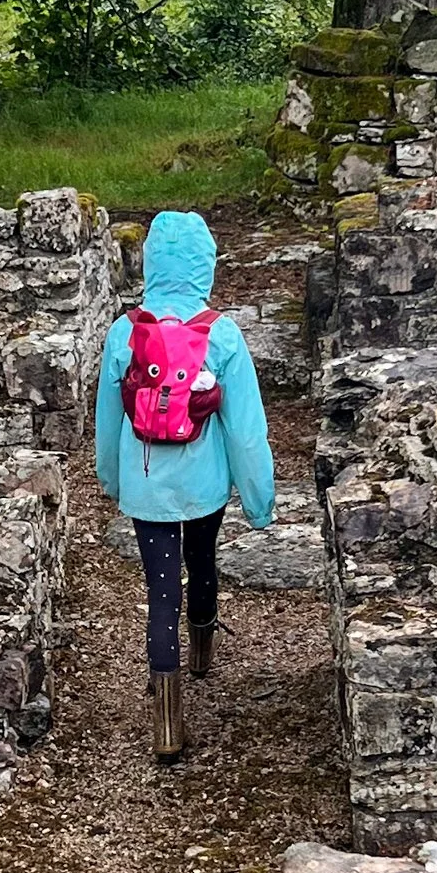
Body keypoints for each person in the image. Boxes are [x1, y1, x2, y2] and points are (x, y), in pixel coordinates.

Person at [94, 208, 276, 763]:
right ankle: (201, 654)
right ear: (206, 265)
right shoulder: (222, 333)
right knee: (202, 560)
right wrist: (259, 501)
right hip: (205, 486)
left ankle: (167, 724)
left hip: (147, 488)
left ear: (151, 263)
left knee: (159, 593)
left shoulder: (125, 332)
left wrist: (112, 480)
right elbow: (246, 431)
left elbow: (107, 421)